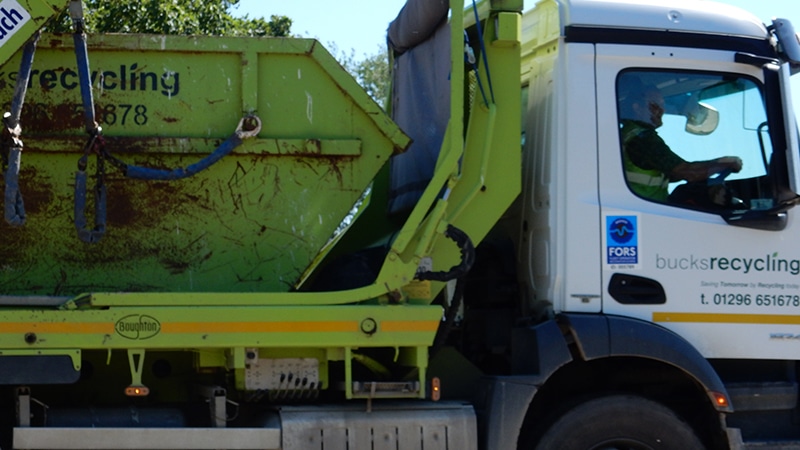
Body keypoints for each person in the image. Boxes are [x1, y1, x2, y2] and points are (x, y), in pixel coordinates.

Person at [619, 83, 743, 203]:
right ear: (637, 107)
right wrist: (724, 163)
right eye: (655, 105)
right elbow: (687, 172)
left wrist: (706, 171)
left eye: (662, 105)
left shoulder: (628, 133)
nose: (662, 110)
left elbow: (673, 173)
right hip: (647, 210)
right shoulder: (643, 140)